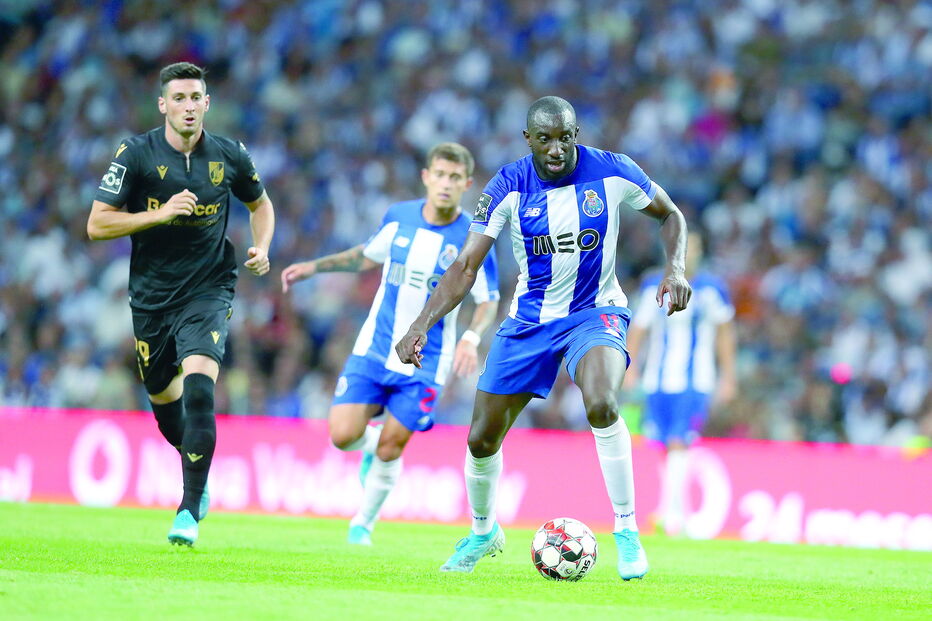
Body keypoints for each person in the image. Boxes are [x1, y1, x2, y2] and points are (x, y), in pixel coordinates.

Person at [396, 96, 692, 580]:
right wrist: (420, 324)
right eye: (546, 139)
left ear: (577, 135)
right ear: (528, 140)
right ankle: (483, 531)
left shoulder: (613, 171)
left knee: (602, 404)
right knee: (480, 439)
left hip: (595, 311)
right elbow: (466, 265)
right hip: (529, 321)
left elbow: (671, 215)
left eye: (566, 138)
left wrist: (675, 267)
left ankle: (627, 531)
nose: (557, 149)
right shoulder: (508, 185)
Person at [86, 62, 275, 546]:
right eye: (180, 98)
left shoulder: (230, 154)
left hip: (209, 289)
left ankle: (188, 510)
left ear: (207, 103)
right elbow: (97, 224)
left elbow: (261, 204)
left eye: (197, 97)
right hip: (151, 297)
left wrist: (262, 246)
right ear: (163, 105)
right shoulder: (136, 153)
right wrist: (159, 214)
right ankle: (196, 468)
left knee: (200, 388)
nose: (189, 106)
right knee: (168, 409)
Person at [281, 142, 500, 545]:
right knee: (342, 435)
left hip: (426, 363)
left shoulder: (475, 237)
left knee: (391, 446)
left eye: (456, 178)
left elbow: (488, 300)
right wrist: (314, 267)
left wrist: (471, 338)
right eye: (440, 175)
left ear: (467, 184)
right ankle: (369, 449)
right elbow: (366, 256)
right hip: (373, 349)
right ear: (426, 177)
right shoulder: (398, 217)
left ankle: (362, 522)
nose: (447, 184)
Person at [624, 231, 736, 536]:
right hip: (657, 380)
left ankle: (668, 515)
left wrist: (728, 376)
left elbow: (725, 333)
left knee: (678, 441)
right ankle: (678, 513)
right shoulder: (652, 285)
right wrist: (630, 369)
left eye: (693, 248)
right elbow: (638, 329)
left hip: (694, 379)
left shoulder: (713, 289)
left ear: (700, 251)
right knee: (662, 444)